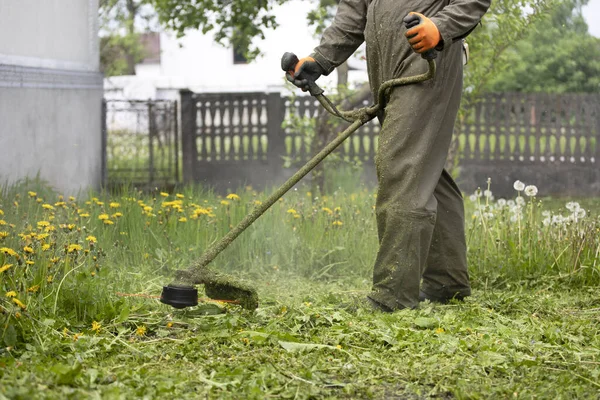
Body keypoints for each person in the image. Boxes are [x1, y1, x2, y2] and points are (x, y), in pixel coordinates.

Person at [286, 0, 491, 311]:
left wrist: (440, 27)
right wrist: (322, 58)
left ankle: (393, 295)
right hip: (387, 67)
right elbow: (356, 11)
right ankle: (446, 281)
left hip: (428, 62)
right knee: (423, 167)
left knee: (403, 166)